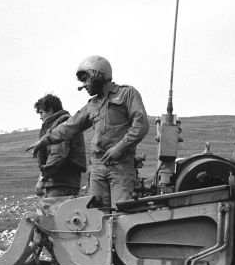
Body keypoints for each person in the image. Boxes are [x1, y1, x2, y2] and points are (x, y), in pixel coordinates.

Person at [29, 55, 149, 208]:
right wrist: (45, 140)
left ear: (98, 74)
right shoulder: (92, 105)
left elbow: (141, 124)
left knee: (121, 214)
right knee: (96, 216)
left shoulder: (127, 94)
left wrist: (120, 147)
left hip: (121, 165)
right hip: (97, 168)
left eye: (86, 79)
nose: (83, 86)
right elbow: (69, 126)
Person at [32, 93, 87, 198]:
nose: (40, 117)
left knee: (56, 213)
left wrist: (43, 178)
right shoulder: (63, 124)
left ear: (51, 110)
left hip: (62, 183)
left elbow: (58, 154)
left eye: (41, 112)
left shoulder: (62, 125)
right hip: (61, 182)